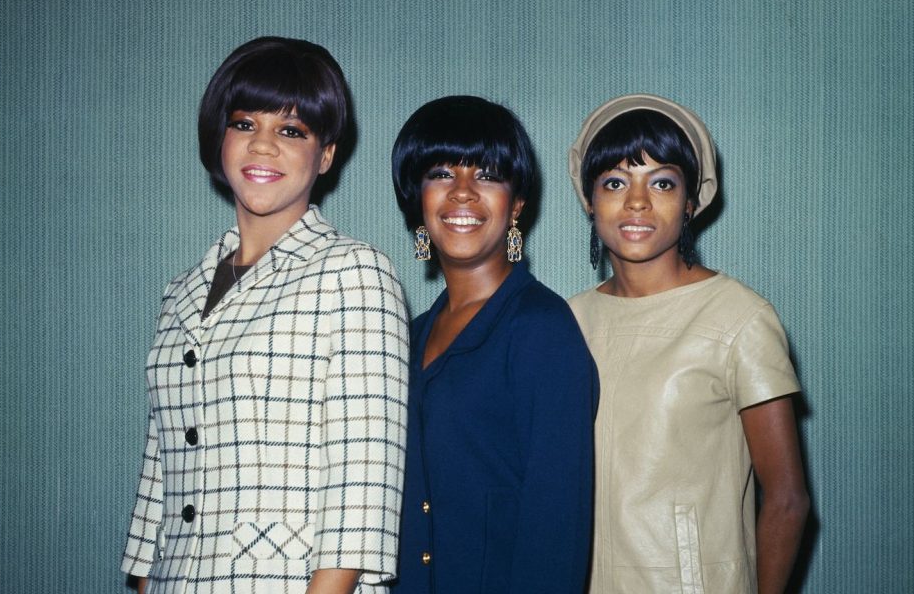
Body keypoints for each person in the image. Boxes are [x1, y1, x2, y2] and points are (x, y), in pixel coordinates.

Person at [120, 37, 409, 594]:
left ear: (325, 154)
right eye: (245, 123)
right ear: (219, 138)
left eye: (292, 130)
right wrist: (143, 578)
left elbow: (363, 484)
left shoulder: (354, 271)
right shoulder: (180, 292)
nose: (264, 146)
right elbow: (160, 466)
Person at [567, 94, 810, 594]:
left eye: (661, 183)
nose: (637, 202)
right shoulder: (566, 323)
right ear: (590, 199)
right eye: (615, 181)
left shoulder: (739, 318)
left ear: (692, 200)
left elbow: (787, 499)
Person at [388, 96, 598, 594]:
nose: (462, 193)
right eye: (441, 173)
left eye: (486, 174)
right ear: (417, 199)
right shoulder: (404, 337)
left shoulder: (542, 329)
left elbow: (558, 530)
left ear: (517, 205)